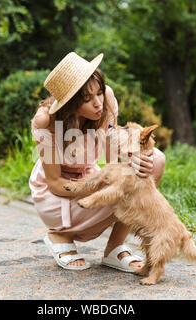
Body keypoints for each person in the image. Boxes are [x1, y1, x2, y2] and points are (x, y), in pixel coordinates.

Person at [29, 52, 166, 271]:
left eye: (99, 93)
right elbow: (54, 182)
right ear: (70, 103)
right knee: (122, 186)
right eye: (87, 99)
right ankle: (60, 234)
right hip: (57, 195)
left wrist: (137, 164)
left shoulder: (107, 100)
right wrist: (103, 185)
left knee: (156, 160)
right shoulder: (46, 120)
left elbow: (114, 158)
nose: (97, 103)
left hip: (90, 178)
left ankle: (114, 247)